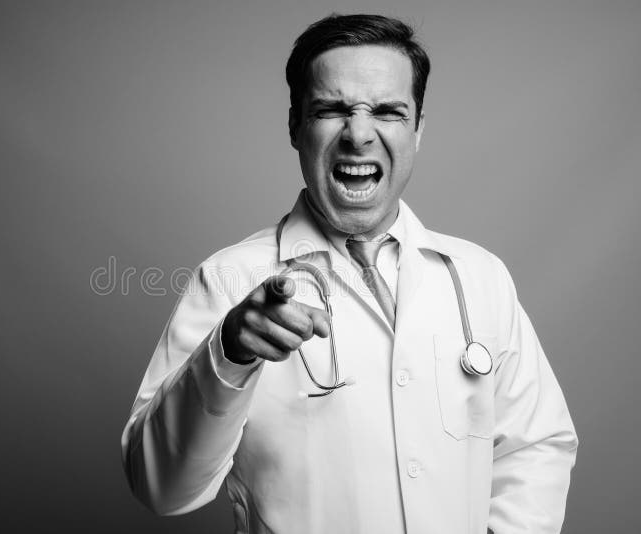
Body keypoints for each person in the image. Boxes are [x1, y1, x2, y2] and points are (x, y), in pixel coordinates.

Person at [121, 13, 578, 534]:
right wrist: (229, 351)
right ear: (295, 126)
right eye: (332, 110)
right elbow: (160, 487)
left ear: (418, 130)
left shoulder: (480, 278)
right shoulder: (230, 277)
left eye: (387, 111)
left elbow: (537, 445)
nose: (359, 134)